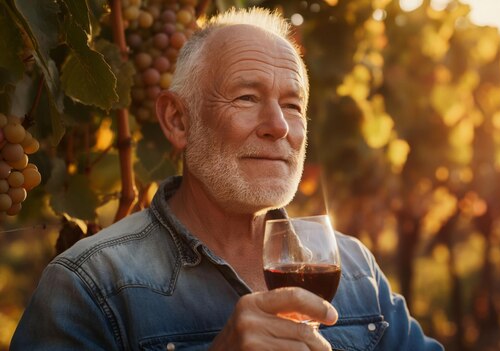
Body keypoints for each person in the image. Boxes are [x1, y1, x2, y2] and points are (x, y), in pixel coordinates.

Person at [11, 8, 443, 351]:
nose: (278, 126)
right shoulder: (89, 284)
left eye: (292, 105)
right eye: (247, 97)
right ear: (178, 120)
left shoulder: (355, 271)